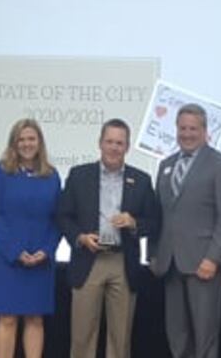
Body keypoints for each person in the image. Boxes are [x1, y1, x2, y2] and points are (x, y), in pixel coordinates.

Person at [57, 118, 159, 358]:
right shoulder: (79, 175)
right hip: (88, 259)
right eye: (109, 141)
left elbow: (154, 222)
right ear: (100, 143)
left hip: (123, 262)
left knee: (120, 339)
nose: (114, 147)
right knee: (82, 337)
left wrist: (134, 223)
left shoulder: (142, 180)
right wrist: (80, 237)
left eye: (119, 143)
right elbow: (63, 216)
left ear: (127, 146)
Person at [150, 103, 221, 358]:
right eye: (182, 128)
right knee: (176, 334)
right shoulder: (166, 164)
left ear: (204, 131)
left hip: (204, 265)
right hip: (170, 264)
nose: (187, 134)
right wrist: (155, 254)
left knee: (205, 336)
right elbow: (160, 215)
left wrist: (213, 258)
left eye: (193, 128)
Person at [0, 119, 61, 358]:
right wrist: (15, 251)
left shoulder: (51, 175)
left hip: (40, 259)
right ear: (14, 143)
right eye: (22, 139)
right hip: (6, 258)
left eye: (31, 139)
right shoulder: (0, 172)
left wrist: (46, 250)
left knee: (35, 319)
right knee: (7, 317)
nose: (27, 144)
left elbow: (58, 218)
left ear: (39, 143)